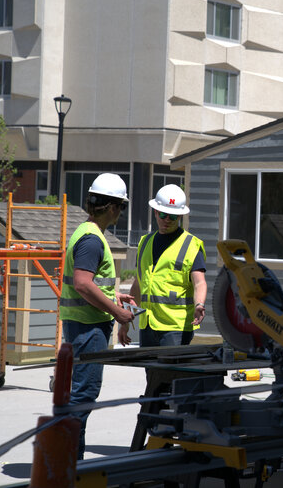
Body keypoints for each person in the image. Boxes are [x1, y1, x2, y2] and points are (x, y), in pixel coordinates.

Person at [60, 173, 136, 459]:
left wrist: (115, 297)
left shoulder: (86, 233)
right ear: (113, 206)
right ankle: (69, 460)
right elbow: (82, 283)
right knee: (83, 396)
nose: (121, 213)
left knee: (79, 395)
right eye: (122, 207)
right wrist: (117, 311)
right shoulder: (92, 240)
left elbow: (91, 283)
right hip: (88, 329)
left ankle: (69, 458)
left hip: (84, 325)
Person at [119, 184, 207, 348]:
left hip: (176, 328)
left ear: (180, 216)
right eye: (163, 214)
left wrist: (199, 304)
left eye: (173, 216)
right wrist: (126, 319)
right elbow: (138, 285)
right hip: (147, 325)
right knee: (151, 374)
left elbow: (199, 282)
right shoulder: (144, 243)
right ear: (155, 211)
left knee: (170, 373)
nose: (167, 220)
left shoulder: (191, 245)